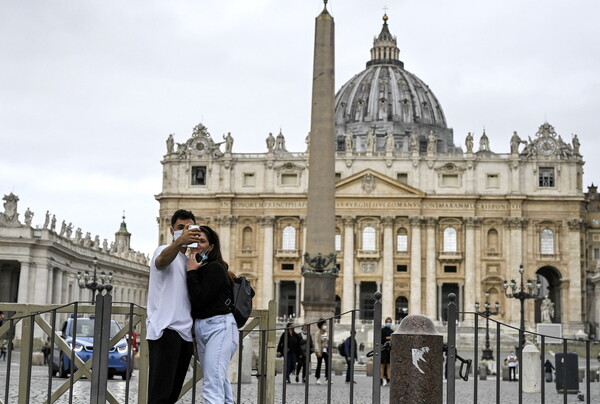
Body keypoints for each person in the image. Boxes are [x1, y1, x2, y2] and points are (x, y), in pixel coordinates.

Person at [146, 209, 201, 404]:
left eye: (189, 228)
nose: (185, 231)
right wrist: (179, 242)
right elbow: (161, 262)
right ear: (171, 230)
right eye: (181, 228)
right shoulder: (162, 250)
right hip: (165, 330)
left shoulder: (189, 262)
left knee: (172, 395)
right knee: (159, 396)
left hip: (185, 334)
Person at [186, 225, 238, 403]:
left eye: (202, 241)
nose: (198, 245)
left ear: (211, 247)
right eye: (195, 240)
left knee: (212, 382)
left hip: (219, 327)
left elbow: (200, 299)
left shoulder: (214, 268)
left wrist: (191, 272)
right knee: (219, 380)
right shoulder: (201, 267)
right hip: (203, 327)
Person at [314, 319, 330, 384]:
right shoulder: (317, 333)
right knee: (319, 364)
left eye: (326, 324)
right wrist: (318, 351)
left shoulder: (326, 332)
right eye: (324, 324)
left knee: (327, 364)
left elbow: (327, 341)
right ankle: (317, 378)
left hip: (325, 350)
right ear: (321, 325)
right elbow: (316, 342)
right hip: (320, 350)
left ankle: (327, 378)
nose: (325, 326)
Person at [380, 317, 393, 386]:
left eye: (390, 322)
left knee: (388, 365)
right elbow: (380, 339)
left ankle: (389, 379)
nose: (389, 323)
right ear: (385, 322)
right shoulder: (382, 330)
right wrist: (387, 338)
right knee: (382, 365)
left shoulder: (392, 331)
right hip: (382, 349)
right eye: (388, 322)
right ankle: (381, 379)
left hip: (389, 350)